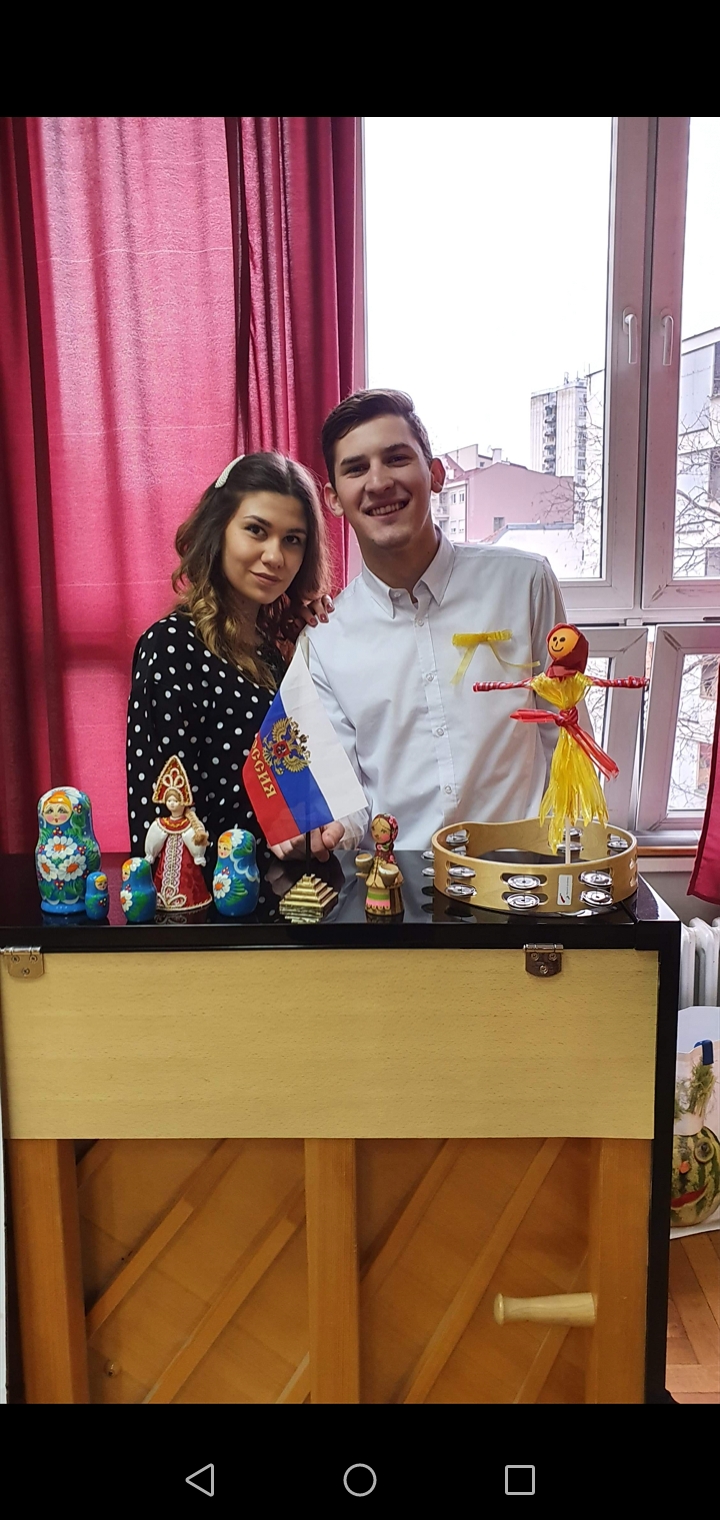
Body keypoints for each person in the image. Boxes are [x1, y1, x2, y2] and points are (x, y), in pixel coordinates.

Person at [274, 389, 569, 856]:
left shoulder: (524, 584)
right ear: (333, 499)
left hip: (521, 876)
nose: (378, 482)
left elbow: (565, 735)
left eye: (396, 459)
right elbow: (344, 802)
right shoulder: (325, 640)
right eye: (356, 468)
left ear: (435, 474)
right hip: (395, 887)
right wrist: (323, 825)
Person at [126, 452, 333, 881]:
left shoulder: (274, 652)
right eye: (256, 530)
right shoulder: (172, 647)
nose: (275, 556)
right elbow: (165, 814)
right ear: (218, 529)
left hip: (282, 893)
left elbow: (298, 785)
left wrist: (316, 644)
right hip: (208, 904)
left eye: (293, 539)